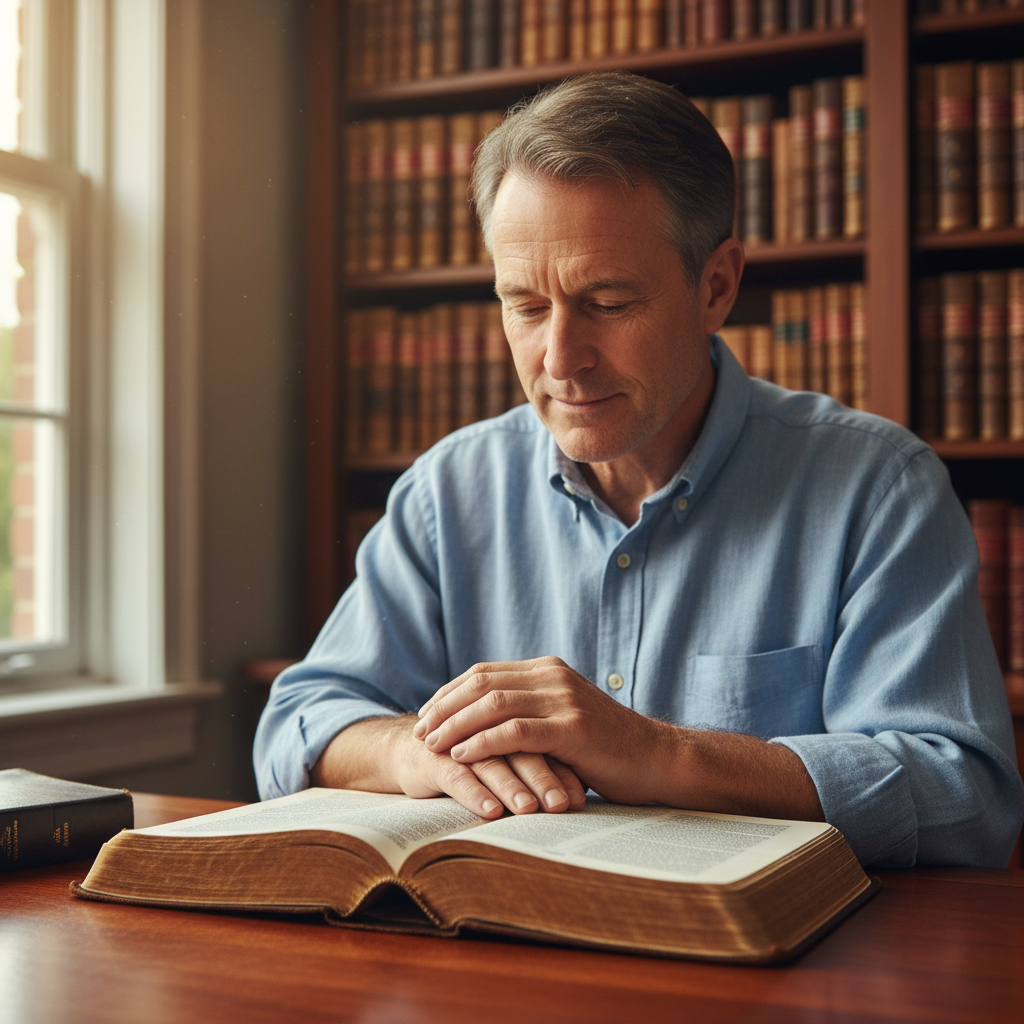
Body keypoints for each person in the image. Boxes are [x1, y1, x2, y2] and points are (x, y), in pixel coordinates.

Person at [254, 72, 1023, 866]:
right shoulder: (447, 493)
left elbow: (966, 796)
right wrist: (417, 751)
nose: (560, 361)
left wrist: (658, 754)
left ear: (716, 286)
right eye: (524, 305)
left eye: (609, 303)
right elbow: (301, 720)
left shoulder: (879, 488)